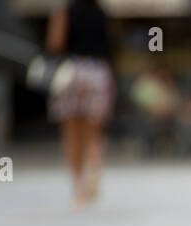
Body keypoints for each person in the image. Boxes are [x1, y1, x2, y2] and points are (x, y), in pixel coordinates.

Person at [44, 0, 114, 208]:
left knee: (71, 132)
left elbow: (54, 43)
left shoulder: (64, 12)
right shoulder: (101, 12)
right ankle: (93, 174)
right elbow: (111, 43)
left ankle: (78, 186)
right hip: (98, 72)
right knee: (93, 131)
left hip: (72, 72)